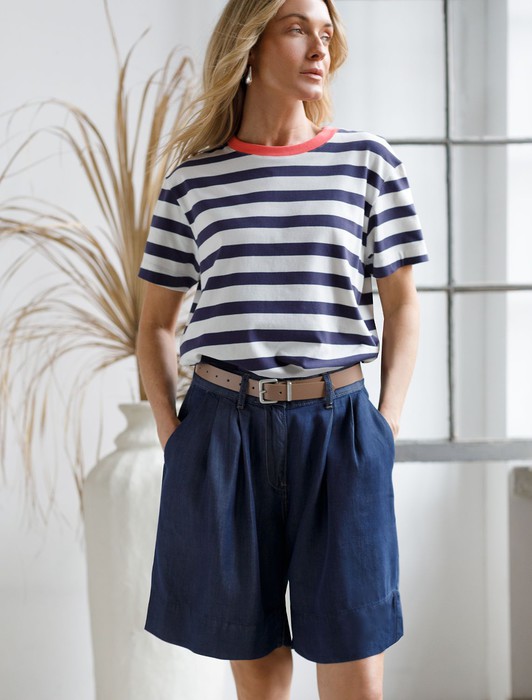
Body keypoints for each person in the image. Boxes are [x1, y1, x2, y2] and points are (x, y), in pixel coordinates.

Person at [136, 0, 429, 698]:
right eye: (297, 29)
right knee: (261, 676)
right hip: (224, 431)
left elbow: (403, 306)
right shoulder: (192, 180)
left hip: (340, 427)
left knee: (356, 672)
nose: (319, 48)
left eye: (325, 32)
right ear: (249, 44)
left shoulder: (367, 162)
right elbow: (155, 326)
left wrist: (385, 425)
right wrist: (174, 436)